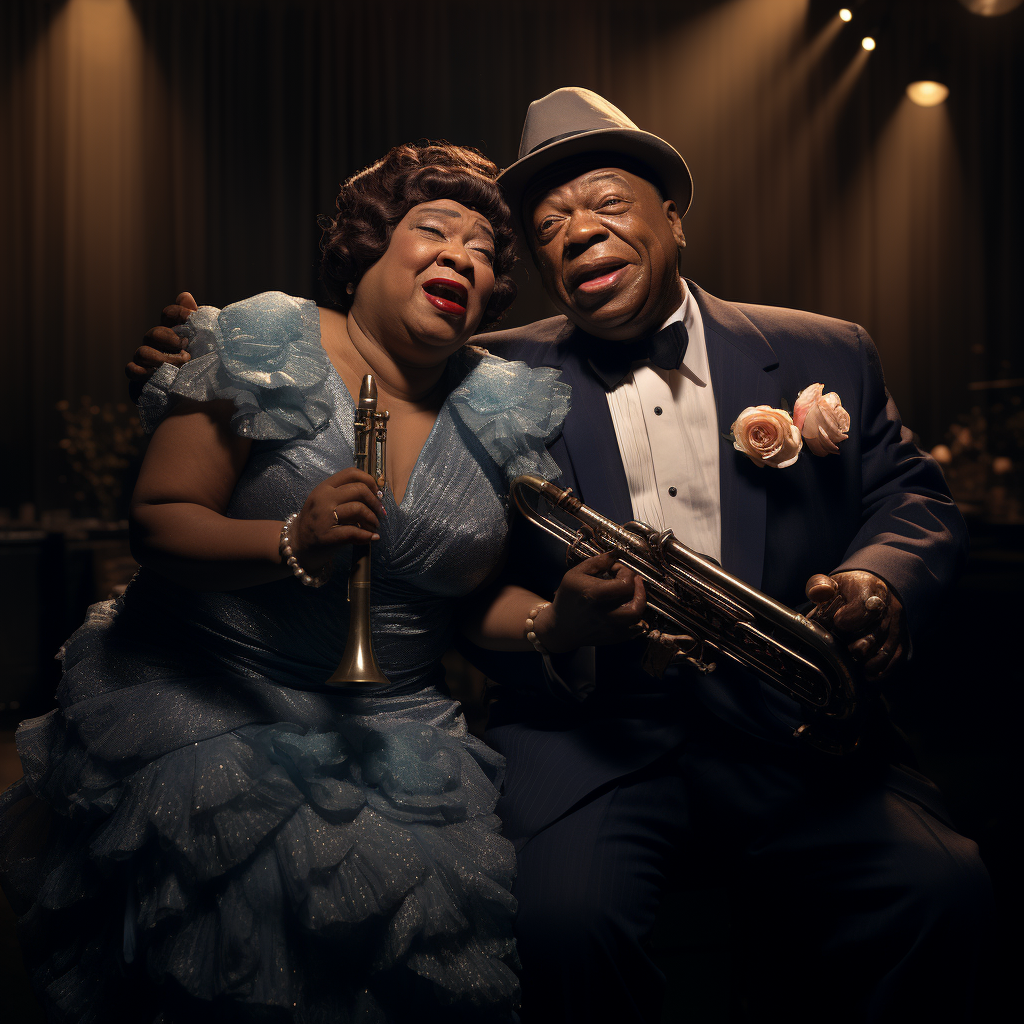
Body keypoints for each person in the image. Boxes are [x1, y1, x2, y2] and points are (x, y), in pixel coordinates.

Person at [127, 90, 992, 1024]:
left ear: (674, 217)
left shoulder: (824, 348)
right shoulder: (486, 375)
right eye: (547, 226)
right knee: (557, 927)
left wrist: (877, 582)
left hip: (796, 733)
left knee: (948, 892)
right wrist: (187, 358)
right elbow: (344, 351)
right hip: (594, 743)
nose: (578, 229)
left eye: (607, 203)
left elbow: (909, 498)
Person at [0, 140, 644, 1024]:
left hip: (399, 739)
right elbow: (158, 518)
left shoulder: (500, 403)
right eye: (433, 231)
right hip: (207, 709)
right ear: (368, 249)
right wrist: (292, 539)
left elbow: (471, 603)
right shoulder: (266, 335)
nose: (464, 256)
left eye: (487, 253)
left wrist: (556, 622)